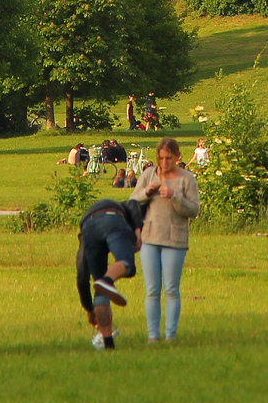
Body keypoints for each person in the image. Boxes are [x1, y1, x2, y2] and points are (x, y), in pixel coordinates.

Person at [130, 136, 201, 342]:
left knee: (171, 288)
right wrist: (147, 192)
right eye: (161, 158)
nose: (164, 163)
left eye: (168, 158)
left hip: (175, 239)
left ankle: (170, 335)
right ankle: (153, 336)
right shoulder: (148, 174)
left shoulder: (187, 179)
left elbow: (194, 210)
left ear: (177, 157)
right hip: (149, 237)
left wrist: (175, 196)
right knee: (152, 289)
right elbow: (132, 201)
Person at [77, 196, 145, 350]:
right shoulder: (121, 207)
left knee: (101, 291)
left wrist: (89, 309)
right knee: (127, 264)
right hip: (113, 220)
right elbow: (133, 203)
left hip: (88, 227)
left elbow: (82, 277)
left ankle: (109, 344)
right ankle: (107, 281)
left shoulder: (84, 232)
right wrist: (138, 231)